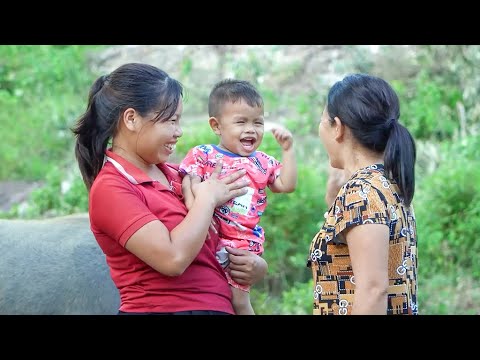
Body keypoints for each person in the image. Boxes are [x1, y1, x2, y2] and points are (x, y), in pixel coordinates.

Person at [72, 63, 268, 315]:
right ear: (131, 119)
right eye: (171, 121)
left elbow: (223, 241)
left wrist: (255, 266)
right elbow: (173, 259)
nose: (179, 132)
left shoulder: (180, 176)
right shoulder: (112, 186)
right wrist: (206, 199)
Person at [179, 79, 297, 315]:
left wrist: (288, 150)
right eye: (241, 122)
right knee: (208, 290)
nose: (251, 129)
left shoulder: (262, 162)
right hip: (207, 235)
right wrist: (199, 208)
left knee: (239, 300)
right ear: (216, 125)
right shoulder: (204, 155)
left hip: (243, 243)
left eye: (258, 122)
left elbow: (286, 185)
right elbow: (188, 187)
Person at [308, 73, 418, 315]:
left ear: (338, 127)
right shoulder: (387, 186)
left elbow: (373, 290)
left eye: (322, 120)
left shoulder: (362, 192)